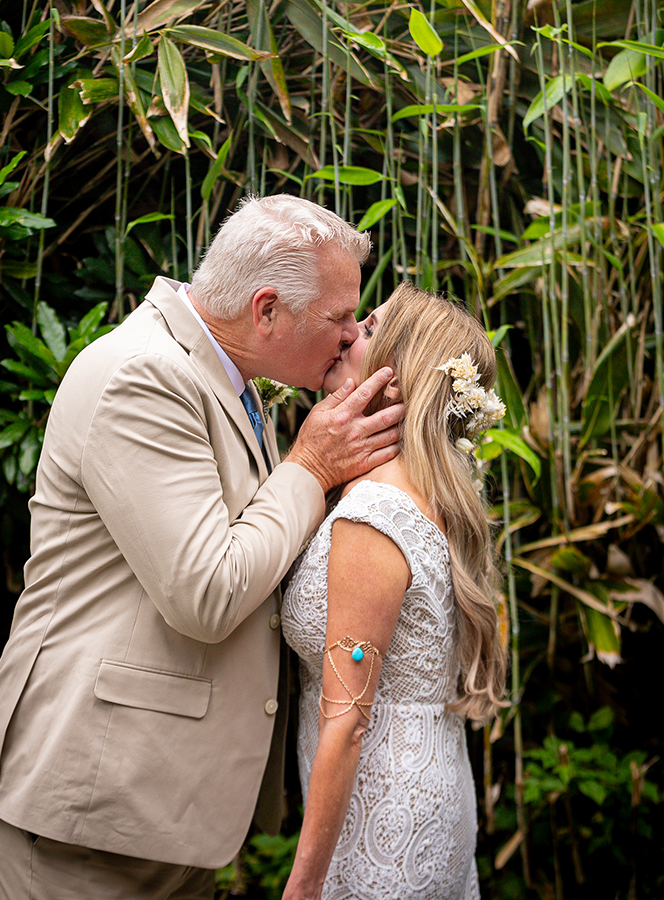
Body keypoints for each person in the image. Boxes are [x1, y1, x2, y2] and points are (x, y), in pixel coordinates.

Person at [0, 194, 405, 900]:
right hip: (83, 815)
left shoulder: (231, 379)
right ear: (267, 311)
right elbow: (208, 592)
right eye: (339, 318)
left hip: (160, 808)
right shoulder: (142, 375)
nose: (350, 336)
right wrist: (312, 466)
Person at [281, 282, 508, 900]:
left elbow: (347, 723)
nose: (349, 333)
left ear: (401, 381)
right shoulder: (429, 497)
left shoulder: (375, 513)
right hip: (431, 785)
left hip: (382, 813)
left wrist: (303, 885)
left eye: (371, 328)